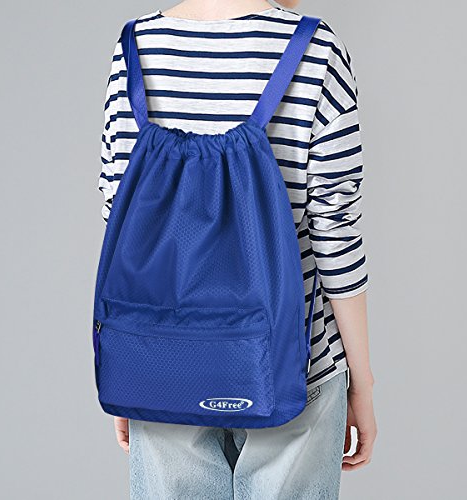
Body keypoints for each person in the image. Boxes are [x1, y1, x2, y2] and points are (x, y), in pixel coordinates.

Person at [98, 1, 377, 498]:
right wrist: (361, 381)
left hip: (159, 357)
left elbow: (119, 213)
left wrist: (126, 372)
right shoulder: (316, 47)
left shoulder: (136, 46)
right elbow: (335, 235)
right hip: (296, 360)